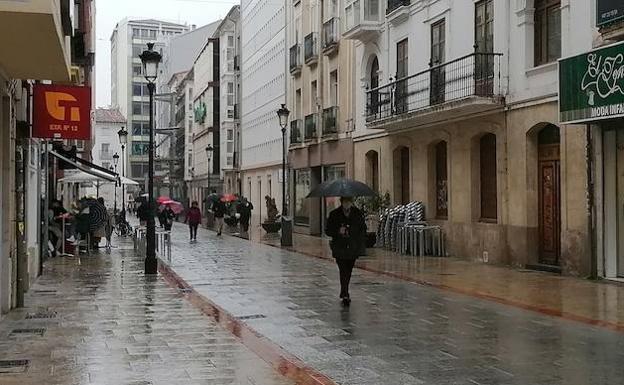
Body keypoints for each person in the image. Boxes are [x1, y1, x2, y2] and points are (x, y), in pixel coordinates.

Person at [325, 196, 366, 306]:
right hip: (340, 247)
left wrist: (357, 238)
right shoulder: (335, 214)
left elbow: (362, 228)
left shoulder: (357, 213)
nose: (347, 204)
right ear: (341, 202)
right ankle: (345, 293)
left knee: (349, 269)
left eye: (349, 201)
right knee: (343, 269)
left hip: (352, 247)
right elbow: (328, 231)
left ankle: (344, 290)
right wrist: (338, 230)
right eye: (345, 201)